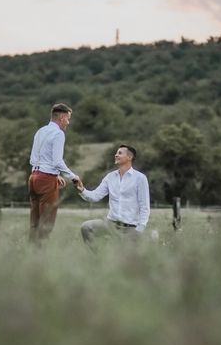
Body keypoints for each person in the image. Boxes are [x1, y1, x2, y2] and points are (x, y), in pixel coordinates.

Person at [75, 144, 150, 248]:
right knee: (86, 227)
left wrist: (140, 229)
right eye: (116, 153)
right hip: (110, 224)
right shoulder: (110, 177)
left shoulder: (140, 178)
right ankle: (99, 258)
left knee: (124, 259)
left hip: (130, 228)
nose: (116, 155)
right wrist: (82, 190)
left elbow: (144, 206)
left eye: (120, 153)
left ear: (129, 157)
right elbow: (95, 196)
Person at [28, 103, 80, 243]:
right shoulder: (58, 134)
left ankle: (29, 254)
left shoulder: (40, 131)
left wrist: (56, 175)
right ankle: (41, 258)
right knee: (46, 223)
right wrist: (73, 176)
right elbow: (57, 161)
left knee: (35, 222)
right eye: (68, 119)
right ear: (62, 117)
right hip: (46, 180)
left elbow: (36, 158)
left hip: (33, 178)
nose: (68, 123)